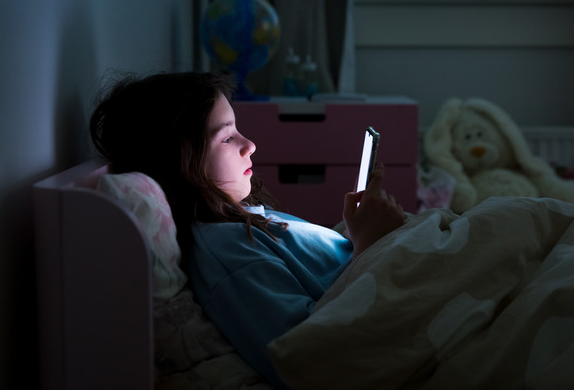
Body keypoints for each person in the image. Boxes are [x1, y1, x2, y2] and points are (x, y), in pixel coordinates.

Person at [89, 71, 406, 388]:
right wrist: (370, 247)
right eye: (227, 138)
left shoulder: (240, 219)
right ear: (181, 162)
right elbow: (310, 354)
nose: (250, 145)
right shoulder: (228, 250)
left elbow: (322, 272)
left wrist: (357, 233)